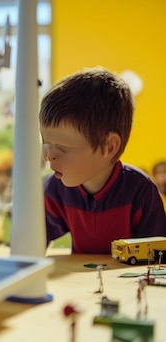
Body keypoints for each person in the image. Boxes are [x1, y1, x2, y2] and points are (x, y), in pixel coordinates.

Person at [40, 67, 166, 254]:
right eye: (45, 142)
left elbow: (156, 258)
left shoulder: (141, 192)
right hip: (79, 282)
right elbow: (31, 245)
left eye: (61, 147)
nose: (48, 155)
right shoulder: (55, 189)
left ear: (109, 147)